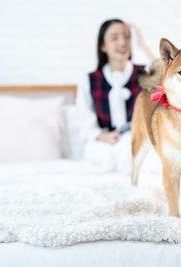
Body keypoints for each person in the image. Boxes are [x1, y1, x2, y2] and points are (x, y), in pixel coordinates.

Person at [76, 18, 154, 172]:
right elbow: (85, 121)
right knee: (91, 151)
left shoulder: (144, 73)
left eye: (127, 36)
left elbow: (167, 75)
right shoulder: (89, 80)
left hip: (136, 138)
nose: (122, 42)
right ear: (103, 46)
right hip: (106, 142)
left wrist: (142, 44)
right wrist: (103, 137)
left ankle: (124, 167)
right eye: (114, 38)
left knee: (138, 148)